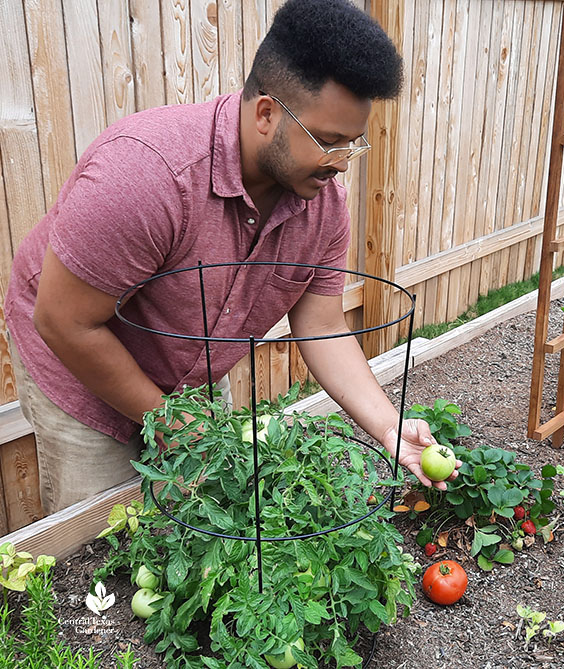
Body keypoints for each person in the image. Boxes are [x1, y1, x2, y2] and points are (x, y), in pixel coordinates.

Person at [4, 0, 458, 515]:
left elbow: (322, 325)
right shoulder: (147, 176)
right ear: (266, 113)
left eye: (352, 144)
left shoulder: (322, 202)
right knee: (105, 539)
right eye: (328, 142)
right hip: (79, 361)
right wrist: (176, 426)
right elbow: (64, 322)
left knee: (195, 518)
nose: (341, 164)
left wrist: (389, 428)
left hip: (185, 366)